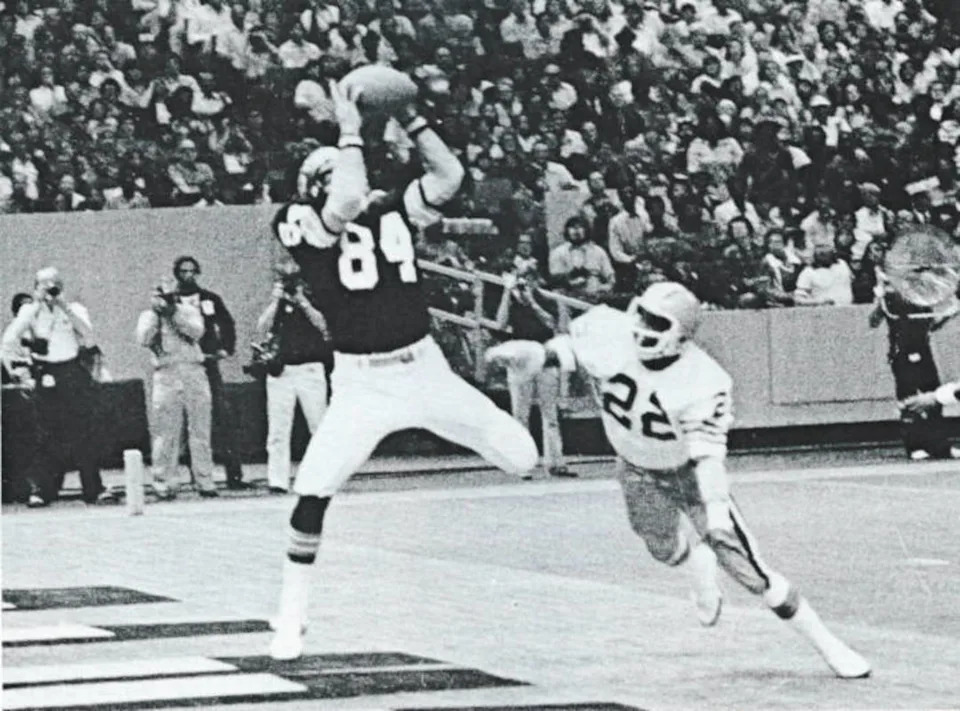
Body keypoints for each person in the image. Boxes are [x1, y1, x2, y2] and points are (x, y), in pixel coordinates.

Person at [267, 79, 538, 660]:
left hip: (425, 369)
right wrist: (348, 133)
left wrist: (414, 120)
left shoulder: (390, 208)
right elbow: (341, 203)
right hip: (361, 383)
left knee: (524, 458)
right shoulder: (300, 220)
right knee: (312, 491)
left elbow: (449, 179)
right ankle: (291, 613)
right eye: (332, 172)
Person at [485, 281, 872, 679]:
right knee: (661, 548)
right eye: (641, 314)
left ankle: (829, 645)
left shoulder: (705, 379)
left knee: (750, 571)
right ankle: (697, 565)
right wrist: (527, 354)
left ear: (680, 337)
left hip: (689, 474)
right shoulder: (608, 329)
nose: (640, 327)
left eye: (656, 322)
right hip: (635, 466)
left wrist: (717, 512)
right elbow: (558, 352)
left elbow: (708, 458)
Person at [1, 267, 107, 507]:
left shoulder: (73, 309)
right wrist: (36, 308)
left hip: (71, 370)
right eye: (44, 284)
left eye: (55, 284)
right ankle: (41, 490)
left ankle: (94, 488)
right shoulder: (30, 311)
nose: (50, 289)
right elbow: (9, 340)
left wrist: (63, 307)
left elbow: (89, 338)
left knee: (84, 431)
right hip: (46, 371)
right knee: (46, 433)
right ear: (36, 287)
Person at [253, 260, 333, 494]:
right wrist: (277, 300)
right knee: (278, 429)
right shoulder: (276, 304)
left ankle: (324, 476)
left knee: (318, 425)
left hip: (310, 369)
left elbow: (324, 325)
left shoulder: (313, 298)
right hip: (282, 370)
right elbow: (261, 327)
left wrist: (302, 301)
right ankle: (277, 480)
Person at [135, 279, 219, 500]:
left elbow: (197, 332)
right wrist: (157, 315)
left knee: (200, 429)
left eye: (169, 296)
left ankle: (205, 480)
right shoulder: (148, 316)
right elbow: (143, 339)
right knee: (165, 431)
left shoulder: (189, 311)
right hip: (166, 372)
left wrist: (173, 313)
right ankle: (164, 482)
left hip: (193, 371)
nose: (165, 300)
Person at [171, 256, 247, 489]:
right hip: (183, 364)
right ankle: (196, 474)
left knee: (222, 416)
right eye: (184, 272)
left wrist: (225, 348)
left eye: (192, 271)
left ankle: (234, 473)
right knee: (185, 421)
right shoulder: (171, 301)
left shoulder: (209, 299)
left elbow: (227, 323)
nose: (188, 276)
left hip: (208, 362)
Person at [493, 271, 576, 480]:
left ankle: (555, 462)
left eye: (531, 279)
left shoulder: (546, 300)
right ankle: (522, 463)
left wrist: (532, 303)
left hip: (545, 361)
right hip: (520, 361)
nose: (526, 284)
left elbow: (552, 324)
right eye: (523, 280)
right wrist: (507, 291)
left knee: (550, 414)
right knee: (520, 414)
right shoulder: (511, 302)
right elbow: (500, 324)